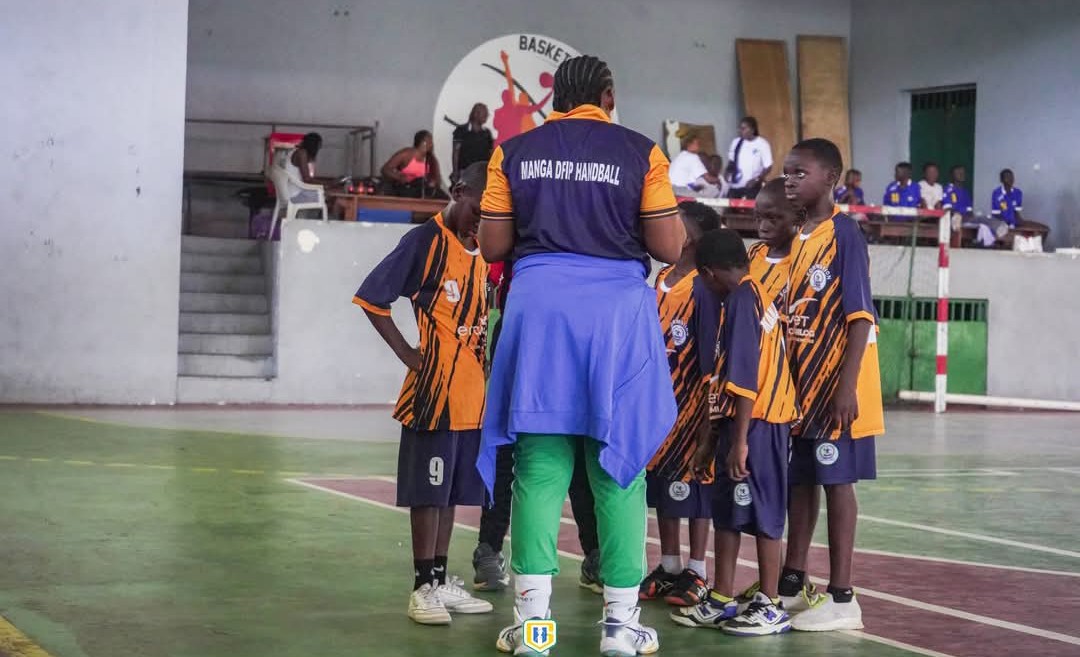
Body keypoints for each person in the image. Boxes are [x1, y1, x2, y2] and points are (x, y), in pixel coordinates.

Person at [479, 54, 686, 656]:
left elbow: (492, 244)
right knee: (619, 468)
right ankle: (620, 627)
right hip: (616, 316)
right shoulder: (642, 152)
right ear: (608, 95)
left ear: (556, 99)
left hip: (539, 310)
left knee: (539, 470)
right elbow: (670, 247)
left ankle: (533, 630)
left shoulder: (513, 152)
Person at [352, 162, 494, 625]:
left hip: (471, 400)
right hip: (434, 397)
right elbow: (373, 298)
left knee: (450, 494)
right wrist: (407, 353)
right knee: (428, 494)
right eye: (479, 209)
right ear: (459, 191)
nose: (482, 221)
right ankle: (420, 588)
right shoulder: (424, 242)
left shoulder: (483, 250)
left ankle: (439, 579)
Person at [670, 228, 798, 636]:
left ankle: (770, 604)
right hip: (741, 423)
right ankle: (722, 598)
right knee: (728, 510)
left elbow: (744, 378)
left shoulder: (744, 299)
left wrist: (740, 441)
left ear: (708, 274)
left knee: (764, 513)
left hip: (760, 423)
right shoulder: (749, 295)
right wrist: (712, 440)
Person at [780, 138, 884, 632]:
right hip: (797, 391)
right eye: (786, 172)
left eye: (799, 173)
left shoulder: (845, 234)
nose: (789, 180)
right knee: (800, 483)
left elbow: (860, 317)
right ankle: (792, 585)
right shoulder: (797, 235)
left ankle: (844, 598)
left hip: (834, 389)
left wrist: (846, 387)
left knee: (837, 483)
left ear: (830, 179)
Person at [639, 201, 721, 608]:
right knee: (662, 485)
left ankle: (697, 568)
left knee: (695, 487)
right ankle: (669, 564)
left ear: (691, 238)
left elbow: (708, 359)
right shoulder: (660, 278)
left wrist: (707, 422)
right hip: (657, 407)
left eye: (676, 224)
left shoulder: (702, 288)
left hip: (690, 409)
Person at [381, 130, 447, 199]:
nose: (432, 145)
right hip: (406, 189)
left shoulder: (431, 159)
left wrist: (433, 182)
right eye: (430, 142)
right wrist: (399, 177)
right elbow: (385, 169)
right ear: (424, 143)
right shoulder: (406, 154)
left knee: (443, 197)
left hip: (423, 190)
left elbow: (437, 179)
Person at [725, 117, 772, 200]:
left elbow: (768, 167)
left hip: (752, 186)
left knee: (750, 207)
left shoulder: (762, 144)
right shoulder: (736, 142)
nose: (739, 131)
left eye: (743, 128)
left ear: (752, 130)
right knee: (729, 205)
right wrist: (727, 171)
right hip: (735, 185)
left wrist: (756, 180)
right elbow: (731, 161)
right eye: (739, 128)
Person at [452, 103, 494, 183]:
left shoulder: (487, 133)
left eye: (486, 114)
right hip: (466, 172)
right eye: (484, 114)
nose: (486, 116)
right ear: (476, 114)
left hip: (483, 173)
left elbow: (491, 152)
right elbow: (456, 153)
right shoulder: (461, 131)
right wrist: (455, 172)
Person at [284, 132, 325, 203]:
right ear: (313, 145)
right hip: (295, 195)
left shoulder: (296, 151)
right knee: (327, 195)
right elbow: (307, 179)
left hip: (291, 193)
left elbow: (309, 177)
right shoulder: (302, 153)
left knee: (327, 196)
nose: (318, 149)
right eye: (318, 146)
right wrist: (327, 184)